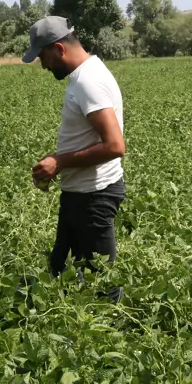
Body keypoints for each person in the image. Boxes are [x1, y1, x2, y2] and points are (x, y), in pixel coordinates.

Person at [23, 16, 126, 300]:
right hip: (79, 194)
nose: (43, 65)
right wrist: (57, 163)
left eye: (42, 56)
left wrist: (61, 162)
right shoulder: (86, 75)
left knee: (102, 283)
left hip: (94, 196)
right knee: (59, 267)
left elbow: (115, 145)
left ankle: (112, 334)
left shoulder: (88, 82)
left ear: (58, 49)